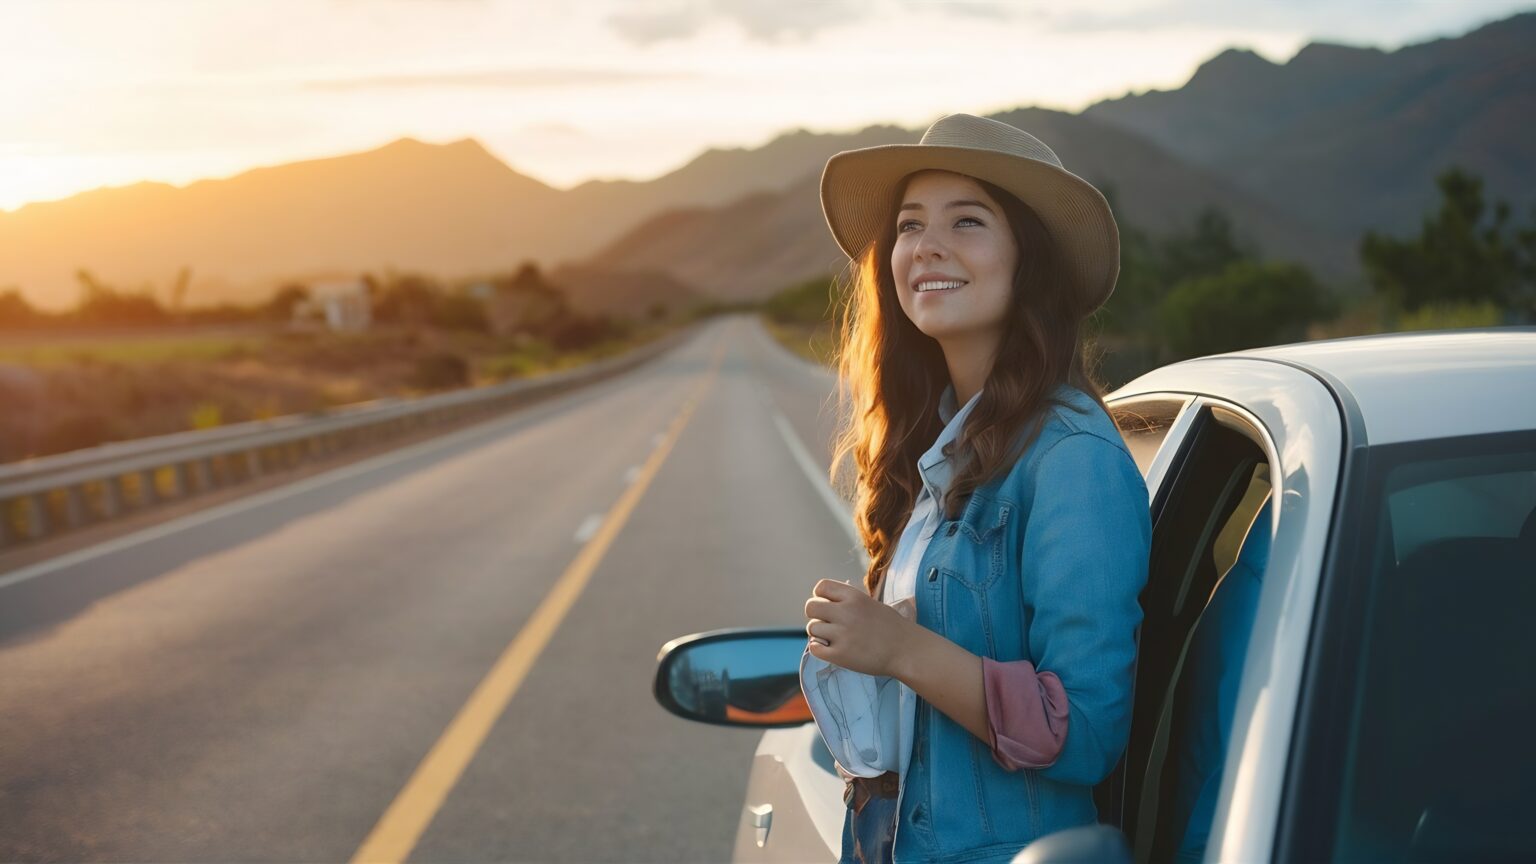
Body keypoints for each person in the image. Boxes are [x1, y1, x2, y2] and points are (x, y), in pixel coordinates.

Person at [799, 113, 1152, 864]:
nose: (927, 246)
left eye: (968, 221)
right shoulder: (930, 446)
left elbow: (1085, 732)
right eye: (908, 225)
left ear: (1030, 259)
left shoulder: (1071, 459)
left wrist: (899, 648)